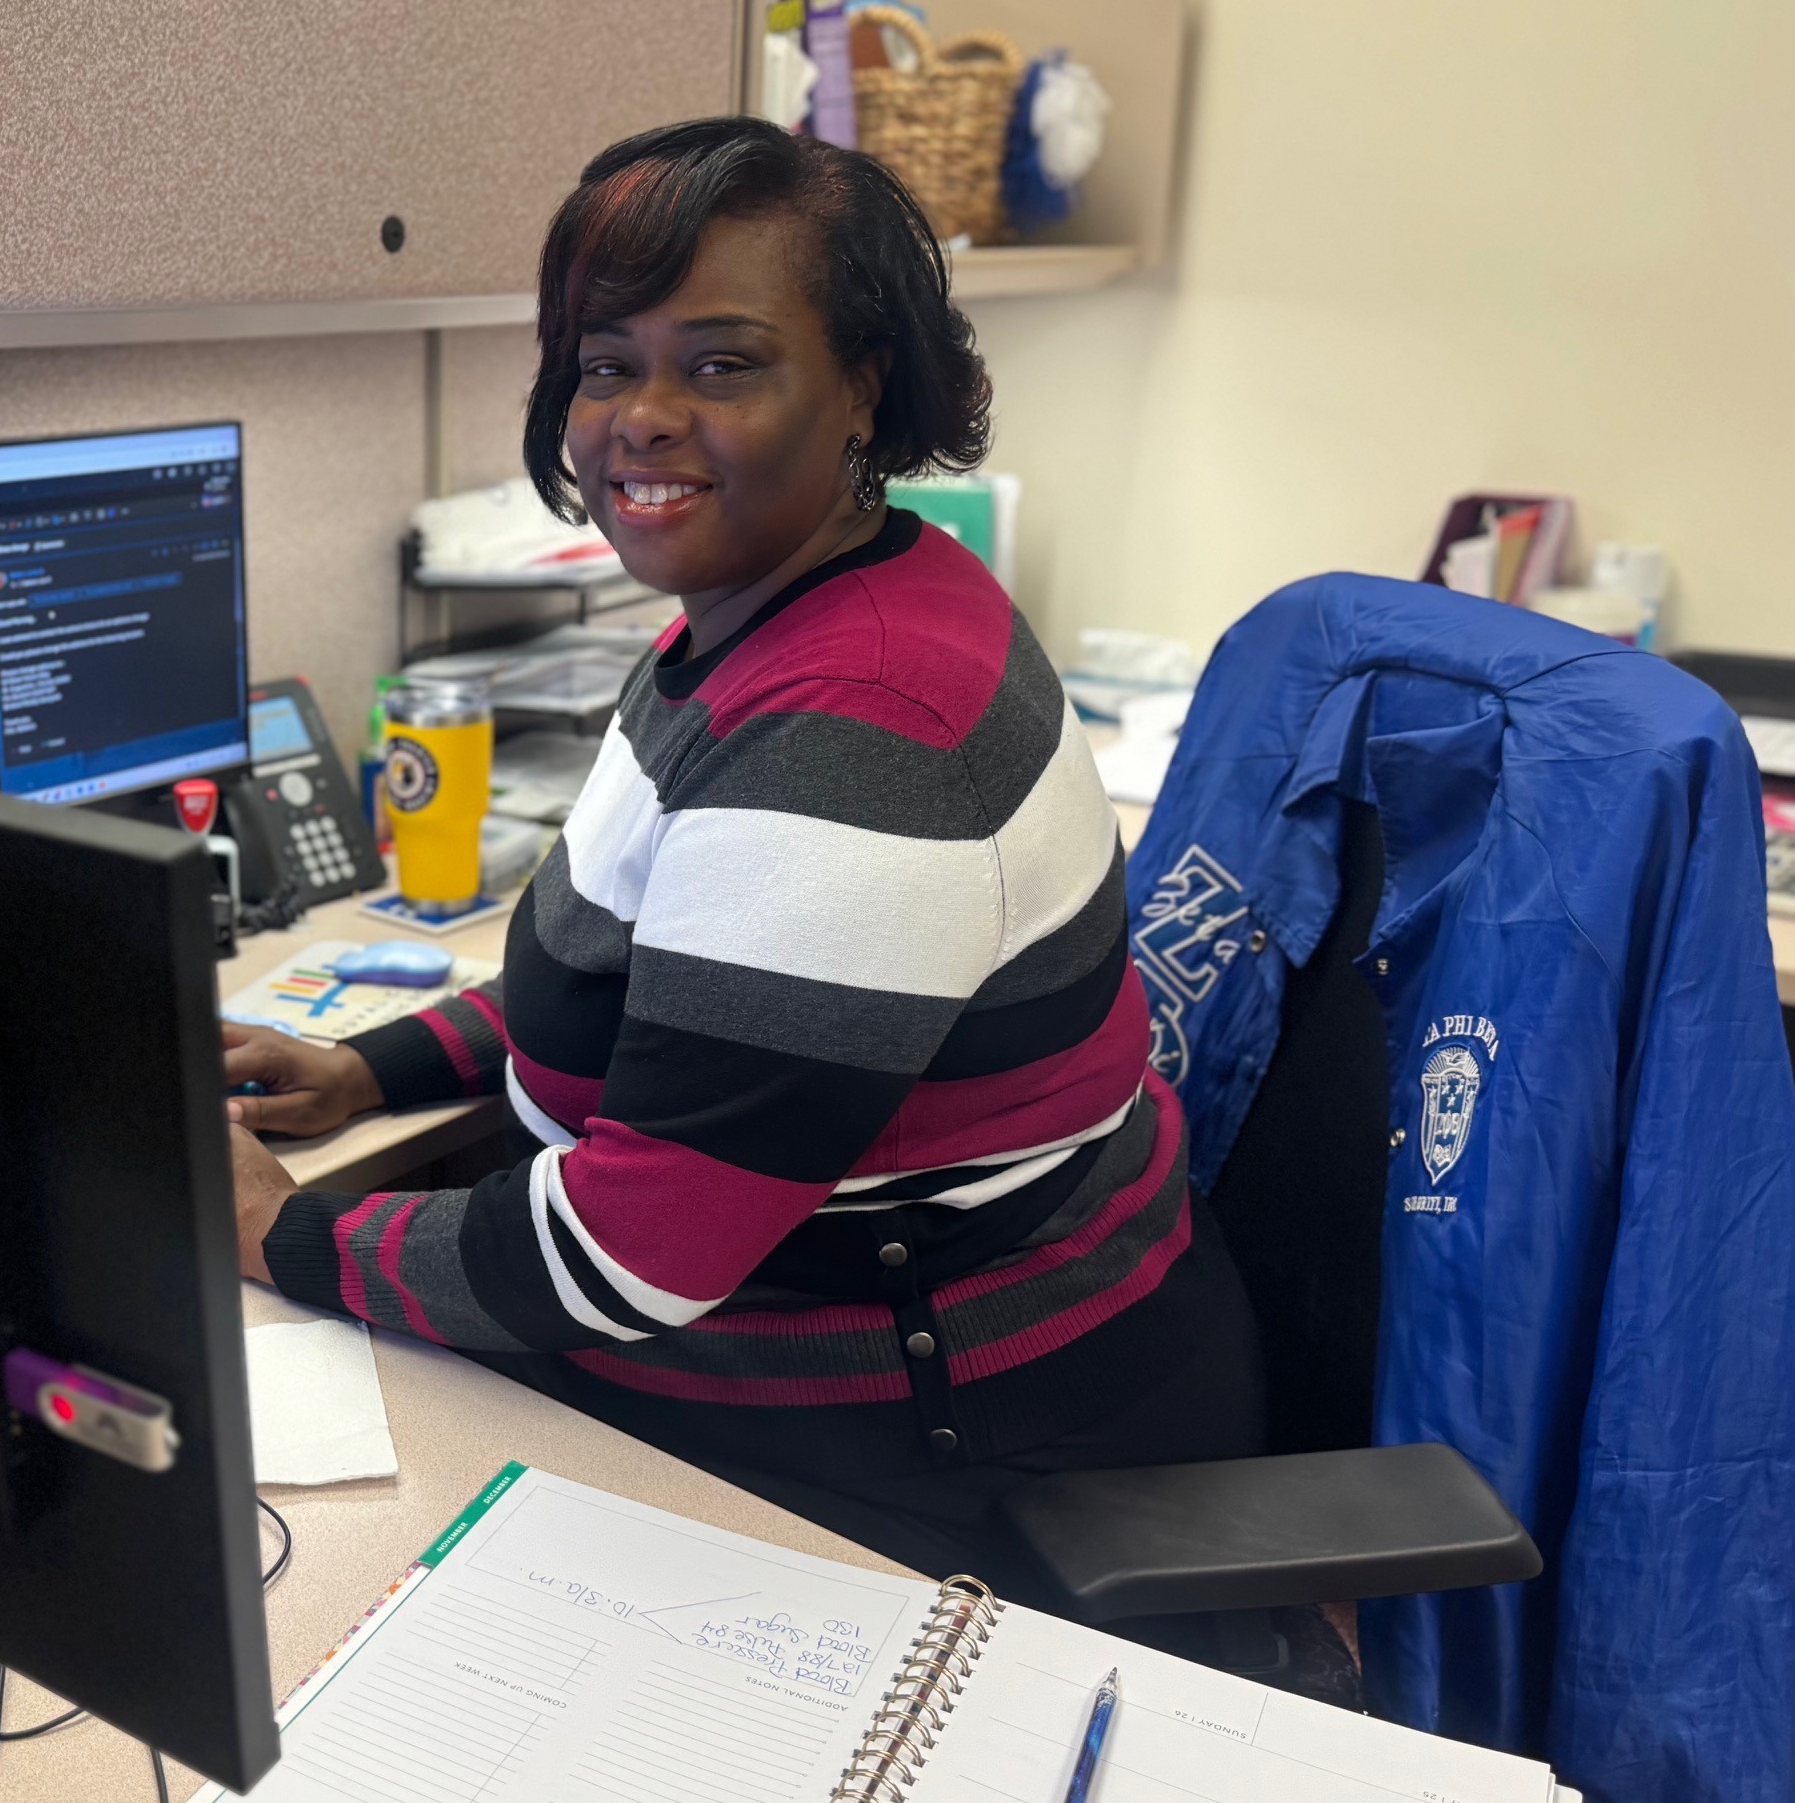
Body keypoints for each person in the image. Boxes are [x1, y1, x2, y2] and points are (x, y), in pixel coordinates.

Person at [223, 115, 1266, 1592]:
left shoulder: (856, 730)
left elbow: (624, 1256)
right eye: (605, 359)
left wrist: (284, 1230)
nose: (641, 414)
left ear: (863, 388)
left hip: (947, 1448)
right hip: (831, 1338)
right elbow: (633, 959)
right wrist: (378, 1071)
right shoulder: (784, 608)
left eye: (722, 361)